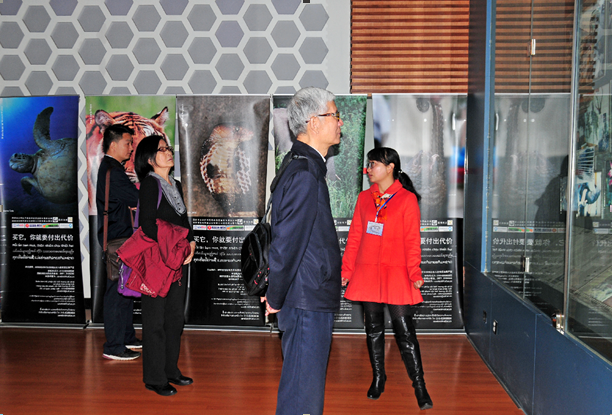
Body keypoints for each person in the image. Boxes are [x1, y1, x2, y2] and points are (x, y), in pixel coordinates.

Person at [262, 87, 343, 415]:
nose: (340, 122)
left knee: (301, 387)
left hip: (306, 292)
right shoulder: (305, 172)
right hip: (306, 297)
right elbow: (287, 242)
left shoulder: (303, 165)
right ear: (314, 122)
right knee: (302, 394)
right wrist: (275, 295)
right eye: (335, 115)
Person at [341, 147, 434, 411]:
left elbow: (412, 241)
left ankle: (420, 386)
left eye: (373, 164)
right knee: (373, 329)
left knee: (405, 332)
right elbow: (355, 237)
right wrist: (346, 271)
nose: (368, 169)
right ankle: (378, 378)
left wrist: (414, 272)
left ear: (390, 167)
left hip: (396, 273)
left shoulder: (406, 199)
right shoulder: (364, 198)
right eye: (368, 164)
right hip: (368, 273)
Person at [134, 135, 196, 396]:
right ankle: (154, 377)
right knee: (155, 321)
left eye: (168, 148)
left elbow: (183, 220)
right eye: (162, 150)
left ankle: (171, 370)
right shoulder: (150, 184)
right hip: (158, 261)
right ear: (150, 159)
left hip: (178, 260)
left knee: (174, 319)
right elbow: (147, 225)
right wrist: (173, 247)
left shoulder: (176, 184)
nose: (168, 152)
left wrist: (191, 243)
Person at [96, 123, 142, 361]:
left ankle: (126, 337)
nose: (131, 148)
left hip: (120, 237)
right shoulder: (113, 171)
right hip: (118, 239)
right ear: (113, 144)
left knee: (125, 289)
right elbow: (136, 198)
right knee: (116, 292)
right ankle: (113, 345)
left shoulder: (112, 168)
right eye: (128, 143)